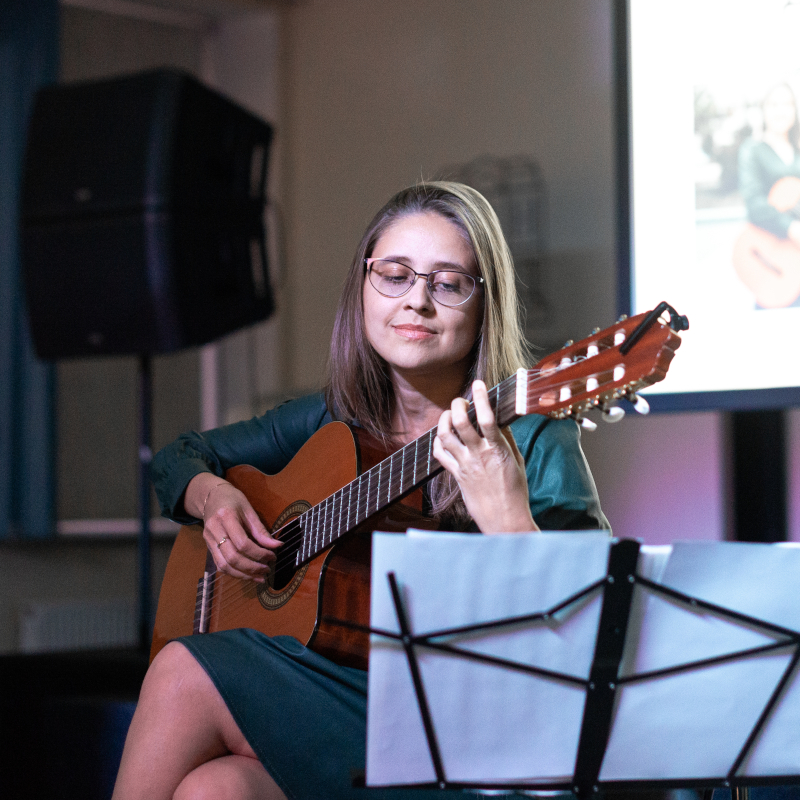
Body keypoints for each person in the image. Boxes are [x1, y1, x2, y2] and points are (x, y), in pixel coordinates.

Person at [112, 181, 609, 800]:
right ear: (363, 287)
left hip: (454, 725)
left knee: (183, 670)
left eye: (448, 283)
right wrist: (212, 498)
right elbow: (177, 459)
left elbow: (595, 630)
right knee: (215, 792)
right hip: (336, 690)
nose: (416, 302)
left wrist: (506, 515)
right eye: (395, 275)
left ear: (485, 304)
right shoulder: (331, 419)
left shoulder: (532, 437)